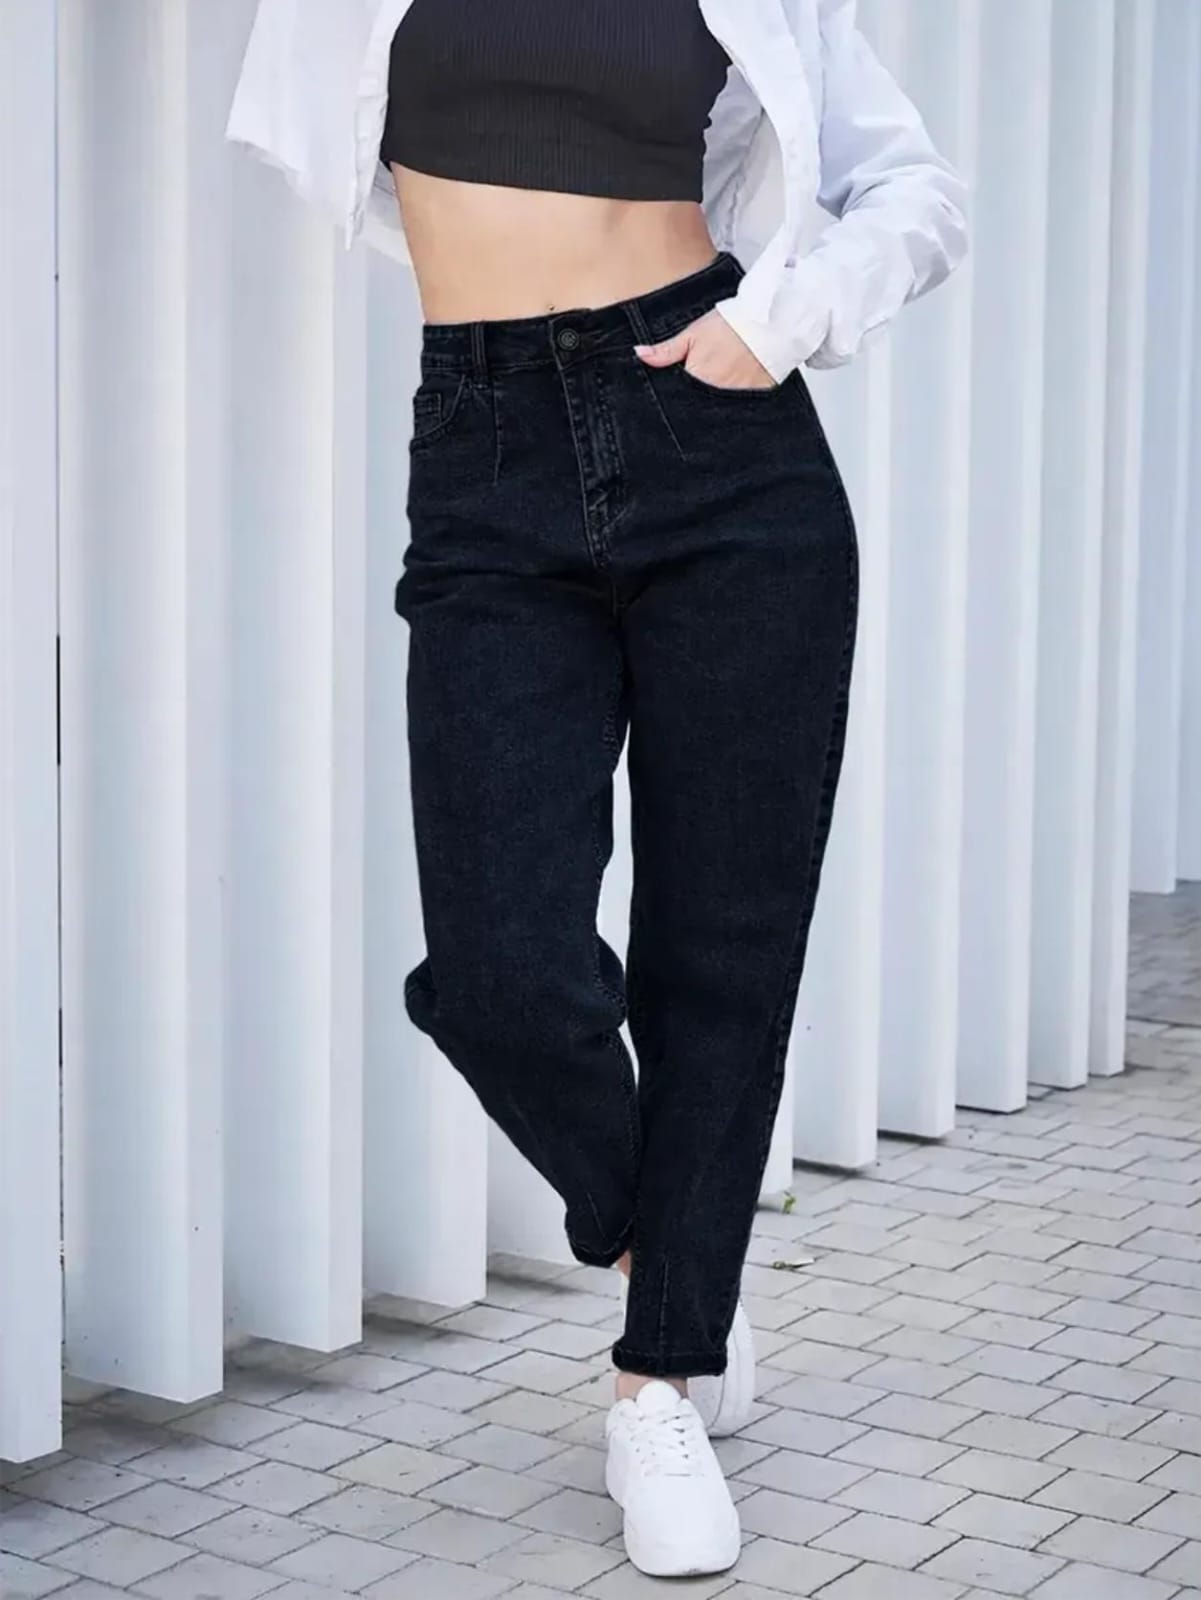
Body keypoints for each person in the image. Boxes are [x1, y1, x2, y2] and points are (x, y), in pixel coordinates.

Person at [228, 0, 967, 1576]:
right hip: (482, 444)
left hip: (722, 440)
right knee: (500, 971)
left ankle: (655, 1381)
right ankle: (674, 1269)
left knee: (723, 952)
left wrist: (783, 318)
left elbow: (914, 191)